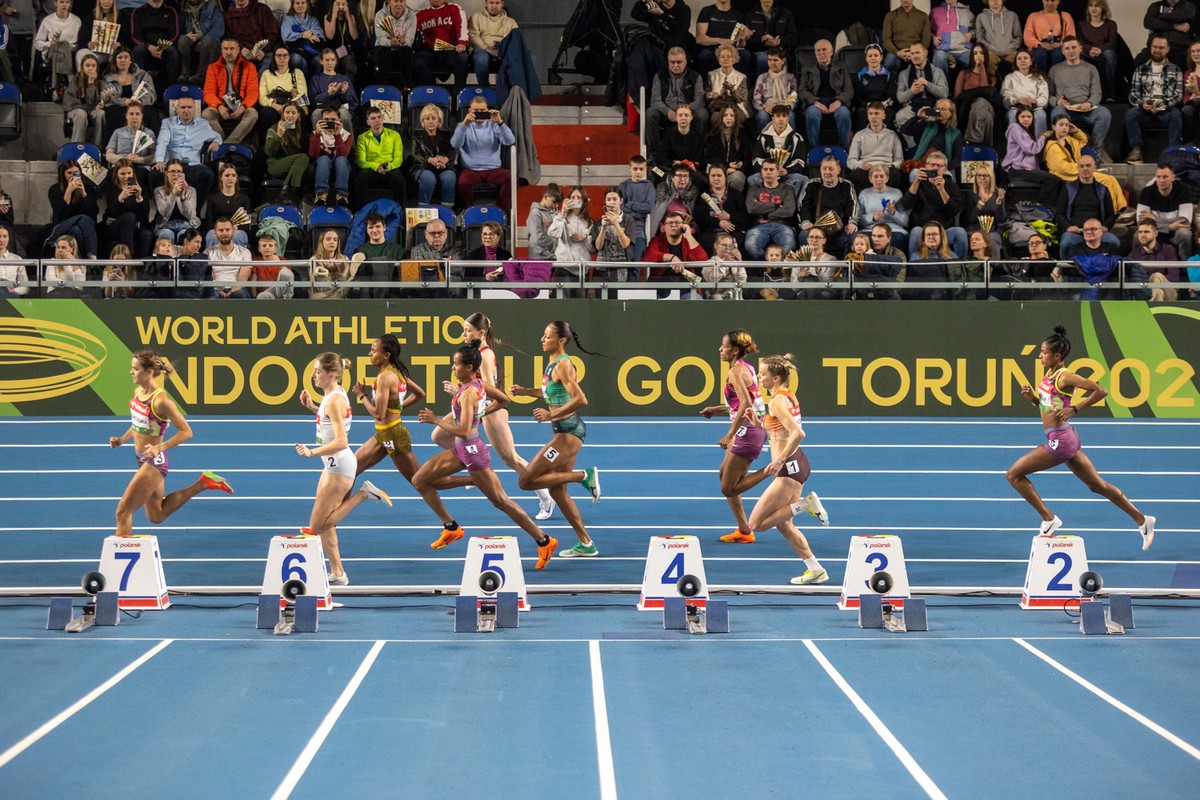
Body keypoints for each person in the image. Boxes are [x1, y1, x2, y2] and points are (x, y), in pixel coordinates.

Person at [1007, 327, 1155, 550]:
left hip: (1061, 442)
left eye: (1044, 352)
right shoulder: (1050, 374)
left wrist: (1075, 408)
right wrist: (1033, 400)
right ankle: (1143, 520)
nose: (1040, 356)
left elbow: (1100, 391)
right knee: (1097, 485)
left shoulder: (1066, 376)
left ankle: (1049, 518)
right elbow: (1051, 407)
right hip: (1068, 436)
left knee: (1013, 475)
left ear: (1057, 356)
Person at [415, 343, 558, 567]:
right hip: (461, 450)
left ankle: (544, 540)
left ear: (469, 366)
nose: (453, 368)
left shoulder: (470, 393)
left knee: (501, 501)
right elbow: (504, 400)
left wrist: (437, 420)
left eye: (456, 364)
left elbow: (464, 431)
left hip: (472, 452)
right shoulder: (477, 384)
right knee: (420, 480)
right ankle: (451, 528)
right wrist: (482, 412)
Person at [349, 334, 469, 549]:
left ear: (386, 355)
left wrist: (361, 395)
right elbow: (419, 393)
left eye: (374, 350)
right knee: (349, 469)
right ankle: (332, 519)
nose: (370, 353)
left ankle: (454, 521)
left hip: (394, 436)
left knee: (422, 482)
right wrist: (397, 409)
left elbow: (377, 413)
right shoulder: (397, 373)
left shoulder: (385, 378)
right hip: (383, 436)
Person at [110, 350, 233, 538]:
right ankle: (203, 483)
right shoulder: (138, 393)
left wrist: (159, 447)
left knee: (123, 512)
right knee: (157, 515)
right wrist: (122, 439)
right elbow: (139, 424)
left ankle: (121, 560)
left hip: (154, 463)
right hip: (142, 459)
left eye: (135, 369)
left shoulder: (161, 402)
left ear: (149, 372)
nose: (131, 372)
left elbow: (186, 432)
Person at [295, 351, 393, 586]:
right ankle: (338, 573)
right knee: (326, 520)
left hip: (339, 466)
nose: (313, 375)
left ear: (332, 374)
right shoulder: (331, 397)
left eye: (318, 371)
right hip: (333, 466)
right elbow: (328, 418)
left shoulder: (337, 400)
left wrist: (312, 452)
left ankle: (363, 494)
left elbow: (341, 441)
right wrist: (312, 406)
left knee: (318, 526)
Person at [510, 320, 603, 559]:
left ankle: (583, 476)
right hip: (565, 431)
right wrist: (526, 392)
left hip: (568, 433)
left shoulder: (563, 364)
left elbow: (580, 399)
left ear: (561, 340)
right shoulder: (553, 363)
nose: (542, 339)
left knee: (527, 481)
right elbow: (552, 392)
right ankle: (586, 543)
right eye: (543, 335)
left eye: (547, 336)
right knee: (558, 491)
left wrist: (551, 414)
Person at [448, 314, 556, 519]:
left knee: (510, 458)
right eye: (463, 330)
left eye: (467, 330)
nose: (463, 334)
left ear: (481, 333)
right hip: (474, 402)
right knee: (439, 435)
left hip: (490, 408)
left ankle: (546, 495)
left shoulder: (485, 355)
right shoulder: (474, 351)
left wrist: (466, 397)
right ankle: (474, 467)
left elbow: (486, 386)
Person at [746, 354, 829, 585]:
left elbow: (798, 433)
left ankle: (806, 504)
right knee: (783, 523)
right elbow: (779, 428)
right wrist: (758, 423)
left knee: (756, 524)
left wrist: (780, 459)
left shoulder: (776, 402)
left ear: (776, 377)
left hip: (789, 468)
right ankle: (815, 569)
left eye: (763, 374)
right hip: (796, 465)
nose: (759, 377)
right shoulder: (786, 397)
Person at [700, 330, 769, 542]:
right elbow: (741, 404)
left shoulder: (736, 372)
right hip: (750, 428)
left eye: (724, 345)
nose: (720, 349)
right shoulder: (744, 368)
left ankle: (773, 469)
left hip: (748, 431)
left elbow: (746, 405)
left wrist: (729, 435)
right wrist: (716, 409)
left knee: (728, 487)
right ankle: (744, 530)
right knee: (724, 475)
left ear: (735, 350)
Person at [1048, 36, 1111, 164]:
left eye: (1074, 47)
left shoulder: (1090, 69)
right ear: (1062, 51)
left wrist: (1090, 103)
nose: (1071, 51)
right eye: (1067, 48)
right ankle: (1063, 148)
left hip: (1086, 109)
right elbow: (1049, 95)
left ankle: (1095, 149)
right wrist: (1057, 101)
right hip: (1065, 109)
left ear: (1080, 49)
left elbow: (1097, 93)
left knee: (1104, 114)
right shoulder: (1055, 70)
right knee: (1056, 112)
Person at [153, 95, 221, 207]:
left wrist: (216, 142)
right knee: (154, 175)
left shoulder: (203, 124)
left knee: (208, 174)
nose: (186, 110)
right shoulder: (168, 123)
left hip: (193, 165)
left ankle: (196, 211)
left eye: (189, 107)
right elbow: (162, 142)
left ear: (195, 109)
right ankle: (162, 212)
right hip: (171, 165)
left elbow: (217, 136)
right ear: (177, 109)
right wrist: (160, 161)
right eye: (183, 107)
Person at [1052, 150, 1123, 256]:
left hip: (1097, 233)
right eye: (1082, 166)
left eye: (1088, 165)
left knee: (1114, 242)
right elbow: (1059, 214)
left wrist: (1105, 227)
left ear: (1094, 167)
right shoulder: (1067, 188)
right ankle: (1065, 271)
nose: (1085, 168)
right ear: (1078, 168)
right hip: (1075, 232)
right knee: (1066, 242)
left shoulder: (1103, 189)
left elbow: (1111, 215)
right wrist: (1068, 227)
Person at [1126, 34, 1183, 163]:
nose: (1157, 50)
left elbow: (1178, 94)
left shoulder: (1176, 69)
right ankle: (1136, 149)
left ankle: (1173, 151)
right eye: (1155, 47)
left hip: (1166, 109)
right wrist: (1142, 104)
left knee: (1176, 115)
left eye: (1161, 47)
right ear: (1150, 48)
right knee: (1131, 114)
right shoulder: (1140, 69)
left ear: (1167, 49)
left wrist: (1164, 104)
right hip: (1145, 108)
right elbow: (1133, 94)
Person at [450, 95, 514, 212]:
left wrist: (500, 122)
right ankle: (470, 211)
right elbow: (455, 144)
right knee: (463, 182)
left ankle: (501, 211)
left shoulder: (495, 125)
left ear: (487, 110)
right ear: (470, 111)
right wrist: (464, 125)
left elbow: (510, 141)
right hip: (471, 170)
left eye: (482, 111)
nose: (479, 113)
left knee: (511, 177)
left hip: (493, 169)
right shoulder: (462, 126)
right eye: (476, 111)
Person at [646, 47, 708, 154]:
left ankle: (699, 152)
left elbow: (700, 100)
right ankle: (654, 153)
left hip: (688, 111)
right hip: (666, 112)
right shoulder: (660, 76)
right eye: (672, 62)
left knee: (703, 113)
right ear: (668, 62)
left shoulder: (695, 76)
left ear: (685, 62)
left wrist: (685, 111)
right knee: (650, 113)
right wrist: (667, 111)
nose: (675, 65)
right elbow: (655, 100)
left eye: (679, 62)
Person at [797, 155, 858, 256]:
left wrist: (852, 222)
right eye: (824, 168)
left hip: (839, 231)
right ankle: (807, 268)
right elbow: (803, 206)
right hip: (816, 229)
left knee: (854, 237)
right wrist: (805, 222)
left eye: (831, 169)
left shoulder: (846, 185)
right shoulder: (811, 184)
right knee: (804, 235)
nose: (827, 172)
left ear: (838, 170)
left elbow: (852, 205)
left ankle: (847, 269)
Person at [202, 37, 259, 144]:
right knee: (206, 114)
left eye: (232, 49)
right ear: (221, 50)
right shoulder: (213, 67)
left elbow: (253, 93)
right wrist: (219, 106)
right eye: (226, 49)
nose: (229, 52)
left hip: (241, 106)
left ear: (238, 50)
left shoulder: (249, 67)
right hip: (220, 107)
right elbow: (208, 93)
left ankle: (229, 143)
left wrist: (243, 107)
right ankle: (222, 140)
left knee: (253, 113)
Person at [798, 39, 852, 151]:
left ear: (831, 52)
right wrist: (815, 102)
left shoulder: (842, 67)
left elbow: (849, 90)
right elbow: (802, 91)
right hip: (816, 104)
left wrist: (839, 102)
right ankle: (813, 149)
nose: (821, 53)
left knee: (844, 113)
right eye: (818, 50)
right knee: (812, 113)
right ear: (815, 53)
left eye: (824, 50)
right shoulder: (807, 69)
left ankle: (844, 149)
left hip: (837, 103)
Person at [748, 103, 806, 196]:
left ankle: (790, 206)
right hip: (766, 174)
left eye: (784, 116)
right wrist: (767, 170)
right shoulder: (762, 137)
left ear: (788, 119)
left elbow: (800, 161)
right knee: (752, 179)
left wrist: (787, 170)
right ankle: (764, 203)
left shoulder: (796, 138)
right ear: (773, 119)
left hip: (787, 174)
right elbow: (756, 159)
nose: (781, 119)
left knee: (803, 179)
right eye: (778, 116)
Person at [1136, 164, 1194, 258]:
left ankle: (1185, 268)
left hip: (1176, 233)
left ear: (1173, 178)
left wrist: (1155, 219)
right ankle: (1138, 268)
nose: (1161, 180)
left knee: (1184, 233)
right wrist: (1169, 227)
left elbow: (1185, 221)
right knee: (1137, 236)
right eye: (1158, 177)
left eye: (1165, 177)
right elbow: (1141, 222)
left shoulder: (1184, 190)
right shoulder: (1146, 192)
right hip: (1154, 232)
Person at [893, 41, 949, 137]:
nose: (915, 56)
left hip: (933, 107)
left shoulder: (937, 71)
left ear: (925, 53)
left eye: (917, 53)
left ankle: (929, 144)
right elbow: (900, 98)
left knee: (942, 115)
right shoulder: (904, 74)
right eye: (912, 53)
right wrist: (911, 91)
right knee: (900, 116)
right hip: (913, 107)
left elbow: (944, 94)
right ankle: (912, 148)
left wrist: (927, 84)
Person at [413, 0, 470, 95]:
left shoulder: (454, 8)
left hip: (451, 51)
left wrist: (462, 42)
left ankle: (458, 94)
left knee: (463, 58)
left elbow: (462, 27)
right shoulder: (420, 15)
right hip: (431, 52)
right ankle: (433, 91)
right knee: (418, 60)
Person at [743, 160, 796, 261]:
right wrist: (777, 205)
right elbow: (752, 208)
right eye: (765, 169)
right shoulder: (754, 188)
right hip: (759, 226)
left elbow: (789, 210)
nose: (768, 172)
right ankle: (768, 266)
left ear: (778, 172)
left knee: (790, 245)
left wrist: (765, 214)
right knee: (751, 246)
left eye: (771, 169)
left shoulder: (787, 189)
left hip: (782, 225)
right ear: (761, 172)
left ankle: (774, 267)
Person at [846, 102, 905, 192]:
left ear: (883, 116)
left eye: (877, 113)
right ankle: (861, 203)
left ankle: (890, 203)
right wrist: (861, 165)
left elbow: (900, 160)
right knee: (854, 175)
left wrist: (891, 165)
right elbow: (850, 161)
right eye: (870, 114)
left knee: (896, 175)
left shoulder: (892, 135)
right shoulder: (859, 135)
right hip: (866, 169)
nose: (873, 117)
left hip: (886, 168)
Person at [353, 106, 405, 208]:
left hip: (389, 167)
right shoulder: (362, 138)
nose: (377, 120)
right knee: (361, 177)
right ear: (368, 122)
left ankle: (400, 209)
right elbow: (361, 161)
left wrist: (387, 166)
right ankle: (359, 209)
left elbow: (398, 159)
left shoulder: (395, 135)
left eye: (379, 117)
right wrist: (376, 166)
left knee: (398, 178)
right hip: (371, 168)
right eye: (373, 118)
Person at [102, 49, 159, 140]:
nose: (123, 60)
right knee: (114, 113)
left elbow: (151, 94)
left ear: (130, 60)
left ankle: (152, 145)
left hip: (139, 104)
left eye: (126, 57)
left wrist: (140, 101)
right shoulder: (107, 78)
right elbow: (107, 98)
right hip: (119, 106)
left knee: (149, 111)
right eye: (119, 57)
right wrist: (124, 101)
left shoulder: (142, 75)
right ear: (115, 60)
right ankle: (113, 147)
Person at [408, 104, 457, 206]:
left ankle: (447, 208)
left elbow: (452, 152)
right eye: (427, 119)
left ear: (439, 121)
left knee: (450, 177)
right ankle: (423, 206)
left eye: (433, 118)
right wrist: (430, 160)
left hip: (442, 167)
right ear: (423, 122)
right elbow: (414, 154)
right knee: (428, 177)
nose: (430, 121)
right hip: (422, 167)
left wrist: (445, 159)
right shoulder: (416, 135)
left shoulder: (446, 135)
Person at [49, 159, 99, 259]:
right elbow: (59, 213)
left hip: (83, 228)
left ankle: (77, 261)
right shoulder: (54, 189)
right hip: (61, 225)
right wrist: (68, 191)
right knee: (83, 218)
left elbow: (94, 213)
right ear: (63, 174)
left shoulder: (89, 189)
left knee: (76, 230)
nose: (72, 176)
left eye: (76, 173)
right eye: (69, 173)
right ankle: (92, 253)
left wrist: (84, 194)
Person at [265, 101, 311, 205]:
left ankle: (307, 197)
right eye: (287, 112)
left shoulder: (302, 130)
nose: (290, 116)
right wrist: (279, 135)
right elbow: (269, 152)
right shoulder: (274, 129)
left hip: (295, 165)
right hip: (276, 164)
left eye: (293, 113)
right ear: (283, 114)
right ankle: (289, 191)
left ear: (298, 115)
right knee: (303, 158)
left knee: (311, 169)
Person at [103, 159, 151, 257]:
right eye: (122, 174)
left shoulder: (141, 188)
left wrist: (139, 198)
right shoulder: (110, 187)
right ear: (116, 174)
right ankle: (129, 257)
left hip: (134, 226)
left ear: (133, 173)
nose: (126, 176)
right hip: (114, 225)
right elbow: (112, 212)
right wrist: (120, 199)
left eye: (129, 173)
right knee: (129, 216)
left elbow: (145, 217)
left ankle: (144, 268)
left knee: (146, 234)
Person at [258, 45, 309, 134]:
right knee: (267, 113)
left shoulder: (297, 73)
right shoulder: (266, 74)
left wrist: (288, 106)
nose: (282, 58)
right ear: (274, 57)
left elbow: (302, 94)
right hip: (274, 104)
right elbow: (262, 97)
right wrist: (273, 105)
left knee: (297, 112)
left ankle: (297, 145)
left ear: (289, 57)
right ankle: (267, 143)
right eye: (279, 55)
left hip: (292, 103)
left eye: (285, 55)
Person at [1127, 219, 1182, 301]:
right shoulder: (1134, 255)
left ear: (1156, 233)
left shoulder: (1168, 249)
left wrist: (1154, 280)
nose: (1142, 235)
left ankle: (1148, 310)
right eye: (1140, 232)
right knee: (1158, 292)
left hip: (1169, 292)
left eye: (1146, 232)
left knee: (1156, 276)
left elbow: (1174, 277)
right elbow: (1132, 280)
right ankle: (1154, 311)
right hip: (1144, 293)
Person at [954, 42, 998, 145]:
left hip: (987, 106)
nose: (978, 55)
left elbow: (986, 93)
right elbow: (957, 96)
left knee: (981, 102)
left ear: (985, 55)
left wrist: (982, 69)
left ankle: (972, 140)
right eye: (975, 53)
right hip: (968, 108)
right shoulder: (964, 73)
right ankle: (987, 147)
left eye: (981, 53)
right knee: (987, 117)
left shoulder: (992, 77)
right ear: (972, 56)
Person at [310, 106, 353, 207]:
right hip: (322, 165)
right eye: (326, 120)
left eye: (333, 120)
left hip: (341, 164)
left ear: (339, 120)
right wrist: (317, 135)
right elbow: (313, 154)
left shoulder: (347, 135)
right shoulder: (315, 134)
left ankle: (342, 195)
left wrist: (337, 135)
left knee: (341, 160)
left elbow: (344, 154)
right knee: (324, 159)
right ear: (321, 120)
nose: (329, 122)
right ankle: (321, 194)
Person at [129, 0, 181, 85]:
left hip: (165, 46)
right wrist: (149, 46)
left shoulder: (171, 11)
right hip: (145, 45)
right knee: (138, 50)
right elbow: (135, 35)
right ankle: (137, 85)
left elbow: (174, 34)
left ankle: (173, 86)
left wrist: (161, 47)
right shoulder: (138, 12)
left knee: (172, 52)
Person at [351, 213, 401, 298]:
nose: (374, 230)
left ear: (384, 227)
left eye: (378, 226)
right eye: (371, 227)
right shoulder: (360, 251)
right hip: (368, 297)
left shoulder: (398, 250)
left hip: (392, 296)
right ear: (367, 230)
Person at [1001, 48, 1049, 136]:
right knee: (1013, 115)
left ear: (1031, 62)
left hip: (1034, 108)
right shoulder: (1009, 78)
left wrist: (1035, 101)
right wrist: (1017, 100)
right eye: (1019, 59)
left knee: (1041, 115)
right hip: (1016, 108)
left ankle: (1039, 146)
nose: (1022, 60)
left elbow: (1044, 98)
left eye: (1025, 58)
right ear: (1016, 62)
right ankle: (1015, 146)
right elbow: (1005, 97)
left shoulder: (1039, 78)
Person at [469, 0, 515, 88]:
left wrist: (504, 49)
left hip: (502, 50)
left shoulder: (511, 22)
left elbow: (515, 40)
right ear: (486, 3)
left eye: (497, 3)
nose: (494, 6)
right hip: (482, 50)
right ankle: (485, 88)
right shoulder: (477, 17)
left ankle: (512, 89)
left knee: (530, 56)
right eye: (491, 3)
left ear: (502, 4)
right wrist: (487, 48)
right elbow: (473, 36)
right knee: (481, 57)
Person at [224, 0, 279, 72]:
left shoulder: (262, 9)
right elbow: (227, 38)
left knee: (270, 66)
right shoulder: (227, 16)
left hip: (264, 53)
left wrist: (263, 51)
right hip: (240, 54)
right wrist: (241, 49)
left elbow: (272, 33)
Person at [153, 158, 201, 241]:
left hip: (187, 225)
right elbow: (164, 212)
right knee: (167, 234)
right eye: (172, 171)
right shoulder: (159, 191)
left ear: (183, 174)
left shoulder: (191, 191)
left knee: (184, 235)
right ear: (166, 173)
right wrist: (173, 194)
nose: (176, 174)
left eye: (179, 171)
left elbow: (191, 215)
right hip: (165, 225)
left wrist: (183, 198)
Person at [1078, 0, 1117, 101]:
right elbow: (1080, 42)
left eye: (1097, 6)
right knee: (1080, 53)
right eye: (1091, 6)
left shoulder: (1111, 24)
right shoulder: (1082, 24)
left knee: (1109, 54)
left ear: (1102, 8)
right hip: (1087, 53)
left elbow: (1112, 42)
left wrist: (1100, 49)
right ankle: (1084, 93)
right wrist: (1089, 50)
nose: (1093, 8)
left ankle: (1109, 94)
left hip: (1104, 52)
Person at [178, 0, 225, 84]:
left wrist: (203, 39)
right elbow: (178, 28)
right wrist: (186, 34)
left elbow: (219, 28)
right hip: (192, 41)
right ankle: (185, 74)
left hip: (210, 41)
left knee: (207, 42)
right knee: (183, 40)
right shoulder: (183, 8)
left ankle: (200, 76)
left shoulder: (212, 7)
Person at [310, 47, 357, 130]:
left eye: (332, 60)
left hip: (340, 108)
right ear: (321, 61)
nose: (330, 63)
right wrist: (328, 93)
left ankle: (348, 142)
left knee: (344, 114)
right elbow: (314, 101)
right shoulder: (315, 79)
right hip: (323, 109)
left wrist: (343, 94)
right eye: (327, 60)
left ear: (336, 61)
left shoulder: (344, 78)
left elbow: (353, 102)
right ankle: (318, 141)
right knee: (316, 114)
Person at [64, 53, 105, 147]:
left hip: (91, 111)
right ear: (82, 66)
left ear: (97, 67)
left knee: (100, 114)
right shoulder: (76, 80)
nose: (90, 68)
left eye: (93, 66)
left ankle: (97, 148)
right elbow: (69, 103)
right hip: (74, 110)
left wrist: (100, 104)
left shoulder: (99, 81)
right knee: (81, 113)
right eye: (87, 65)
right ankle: (77, 147)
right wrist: (90, 84)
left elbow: (97, 100)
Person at [618, 155, 655, 261]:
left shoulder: (649, 186)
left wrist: (630, 205)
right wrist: (639, 212)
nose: (638, 172)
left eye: (641, 169)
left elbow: (648, 208)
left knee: (635, 264)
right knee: (621, 264)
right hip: (622, 230)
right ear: (629, 169)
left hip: (639, 232)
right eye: (635, 169)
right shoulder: (623, 186)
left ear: (645, 169)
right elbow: (620, 208)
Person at [1024, 0, 1075, 75]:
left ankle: (1057, 79)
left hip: (1059, 47)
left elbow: (1071, 37)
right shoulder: (1033, 16)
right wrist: (1040, 44)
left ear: (1058, 2)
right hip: (1039, 47)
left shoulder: (1066, 16)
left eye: (1053, 0)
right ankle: (1040, 79)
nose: (1050, 3)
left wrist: (1061, 44)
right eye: (1047, 0)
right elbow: (1027, 37)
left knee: (1058, 53)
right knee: (1039, 53)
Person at [206, 217, 253, 298]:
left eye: (227, 230)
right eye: (221, 230)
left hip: (237, 288)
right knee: (211, 296)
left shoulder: (245, 252)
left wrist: (231, 291)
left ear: (233, 231)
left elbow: (243, 279)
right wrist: (219, 291)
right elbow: (209, 277)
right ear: (215, 232)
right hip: (215, 288)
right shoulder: (208, 252)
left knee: (242, 295)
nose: (224, 233)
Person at [373, 0, 416, 88]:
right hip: (385, 48)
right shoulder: (380, 15)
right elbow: (380, 39)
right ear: (389, 2)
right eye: (395, 1)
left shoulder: (411, 16)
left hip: (402, 48)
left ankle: (406, 88)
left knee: (407, 52)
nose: (399, 4)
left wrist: (404, 41)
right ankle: (382, 87)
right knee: (384, 52)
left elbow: (410, 40)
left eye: (401, 1)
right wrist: (390, 42)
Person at [752, 46, 795, 131]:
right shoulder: (762, 77)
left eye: (775, 60)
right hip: (767, 107)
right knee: (762, 116)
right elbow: (756, 99)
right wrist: (765, 107)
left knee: (791, 116)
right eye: (769, 60)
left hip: (784, 106)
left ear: (782, 61)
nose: (772, 63)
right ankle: (763, 142)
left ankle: (790, 142)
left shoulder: (790, 78)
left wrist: (783, 107)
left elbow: (793, 98)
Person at [882, 0, 932, 73]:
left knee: (925, 63)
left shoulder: (923, 16)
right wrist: (897, 53)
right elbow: (886, 40)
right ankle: (893, 84)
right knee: (889, 62)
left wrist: (914, 53)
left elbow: (926, 40)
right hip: (897, 52)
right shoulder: (890, 15)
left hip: (917, 51)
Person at [104, 101, 157, 169]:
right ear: (126, 116)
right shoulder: (118, 132)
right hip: (121, 166)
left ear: (142, 116)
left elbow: (155, 156)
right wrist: (125, 159)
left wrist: (140, 160)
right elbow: (109, 155)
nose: (134, 117)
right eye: (131, 114)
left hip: (141, 167)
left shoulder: (149, 133)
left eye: (137, 114)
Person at [706, 42, 751, 120]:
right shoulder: (711, 75)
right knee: (716, 117)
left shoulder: (742, 77)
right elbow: (706, 94)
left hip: (736, 106)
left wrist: (733, 91)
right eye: (722, 57)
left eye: (729, 56)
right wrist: (710, 94)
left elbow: (742, 99)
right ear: (718, 60)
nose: (725, 59)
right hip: (718, 107)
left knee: (737, 117)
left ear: (734, 59)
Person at [929, 0, 974, 75]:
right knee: (939, 56)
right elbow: (928, 30)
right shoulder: (935, 11)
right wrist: (933, 37)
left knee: (976, 57)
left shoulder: (967, 12)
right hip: (943, 50)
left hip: (964, 50)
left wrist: (972, 34)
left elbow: (976, 28)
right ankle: (942, 85)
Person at [322, 0, 364, 79]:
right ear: (333, 5)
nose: (341, 7)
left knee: (348, 61)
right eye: (338, 4)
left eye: (343, 4)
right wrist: (334, 16)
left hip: (346, 53)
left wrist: (348, 18)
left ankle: (349, 86)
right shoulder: (327, 17)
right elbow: (330, 36)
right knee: (331, 61)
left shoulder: (351, 17)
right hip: (332, 52)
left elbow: (355, 36)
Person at [975, 0, 1021, 73]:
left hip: (1010, 52)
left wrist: (1011, 46)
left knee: (1021, 60)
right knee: (985, 59)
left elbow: (1018, 37)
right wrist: (990, 47)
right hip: (991, 53)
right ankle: (991, 83)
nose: (995, 0)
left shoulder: (1012, 15)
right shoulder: (981, 17)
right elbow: (979, 38)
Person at [309, 228, 355, 299]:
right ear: (321, 242)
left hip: (340, 297)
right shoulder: (314, 260)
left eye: (335, 240)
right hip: (320, 298)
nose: (332, 242)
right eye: (328, 239)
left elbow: (346, 282)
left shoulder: (344, 260)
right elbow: (316, 286)